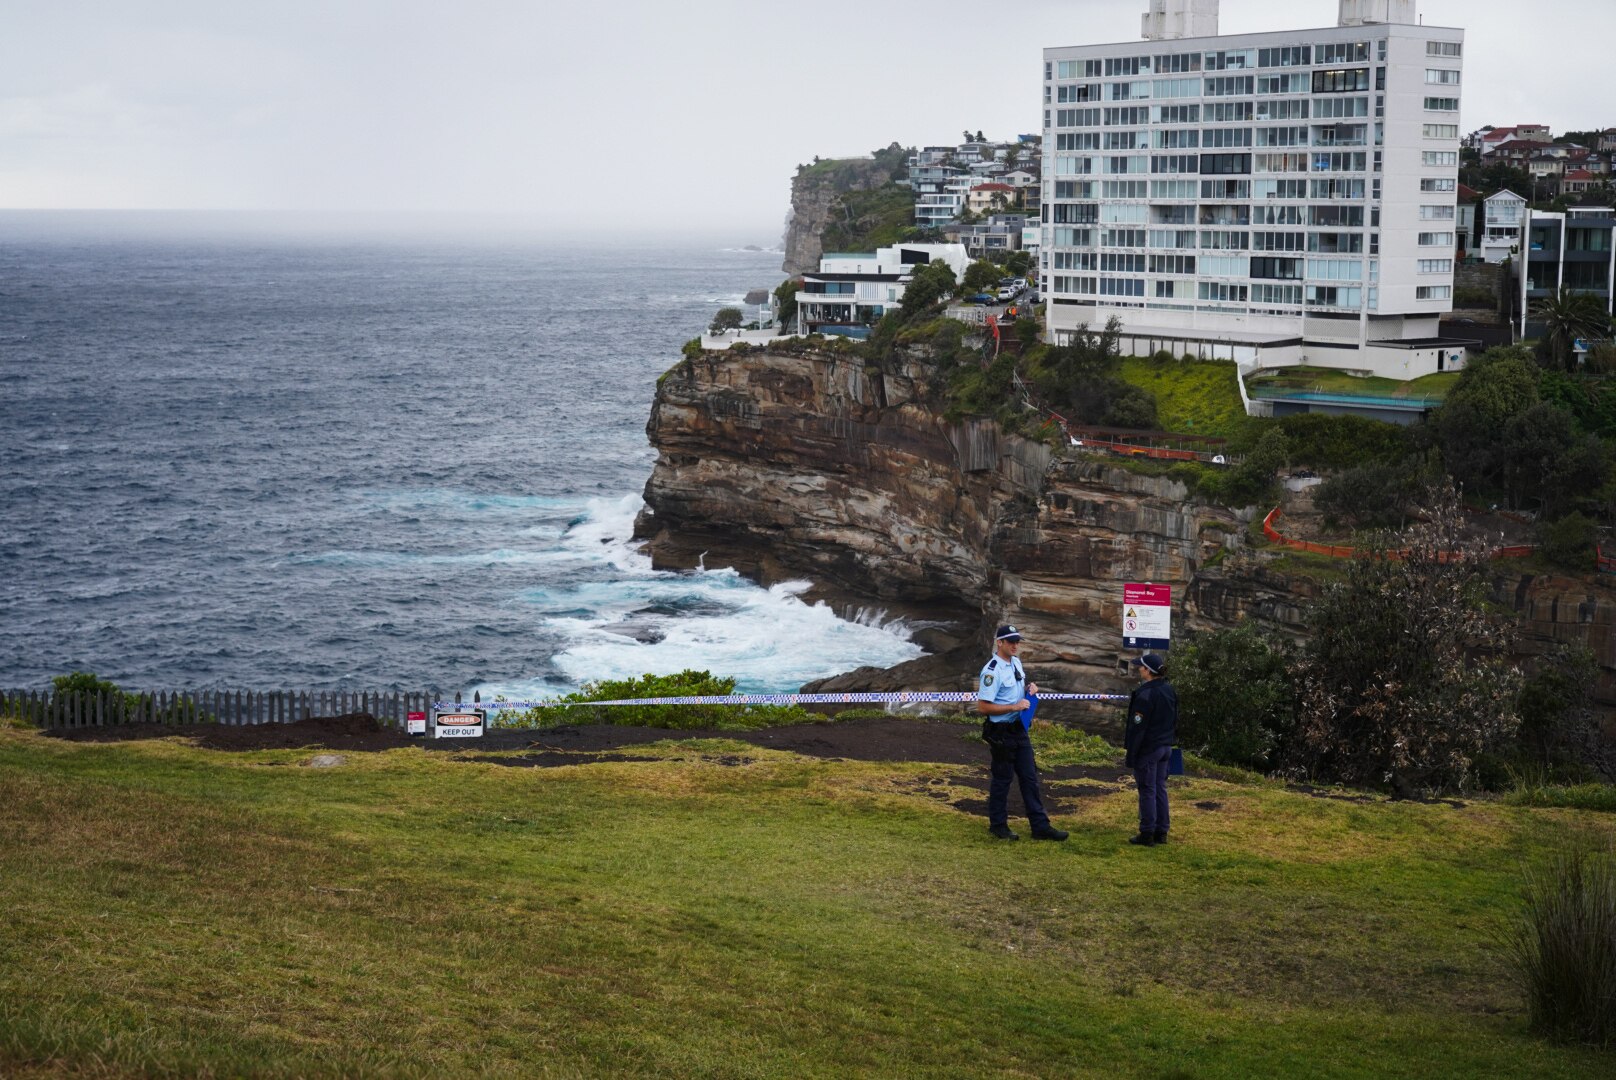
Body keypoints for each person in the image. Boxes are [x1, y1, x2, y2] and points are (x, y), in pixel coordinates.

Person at [976, 625, 1067, 842]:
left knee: (1030, 777)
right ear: (1000, 643)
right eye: (1010, 641)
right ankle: (998, 825)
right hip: (1001, 732)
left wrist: (1030, 690)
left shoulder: (1015, 662)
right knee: (1002, 779)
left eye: (1017, 641)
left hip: (1018, 729)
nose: (1015, 645)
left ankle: (1040, 826)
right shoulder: (991, 670)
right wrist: (1013, 707)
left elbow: (1016, 690)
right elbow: (983, 707)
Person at [1124, 652, 1178, 847]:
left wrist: (1132, 754)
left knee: (1147, 789)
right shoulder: (1169, 690)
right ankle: (1161, 831)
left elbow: (1138, 728)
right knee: (1160, 789)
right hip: (1165, 747)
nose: (1139, 669)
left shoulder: (1145, 694)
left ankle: (1147, 832)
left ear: (1148, 671)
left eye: (1141, 666)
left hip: (1149, 749)